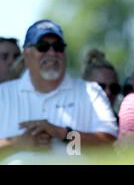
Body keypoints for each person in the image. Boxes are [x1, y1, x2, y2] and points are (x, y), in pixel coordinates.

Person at [0, 19, 118, 161]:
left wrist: (63, 133)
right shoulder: (3, 94)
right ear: (26, 54)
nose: (52, 53)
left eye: (58, 47)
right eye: (42, 46)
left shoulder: (91, 92)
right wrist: (15, 144)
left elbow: (108, 145)